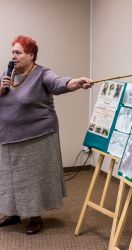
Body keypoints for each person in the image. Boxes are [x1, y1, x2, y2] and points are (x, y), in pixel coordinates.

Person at [0, 35, 93, 235]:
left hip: (37, 136)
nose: (14, 56)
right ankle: (13, 212)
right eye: (13, 52)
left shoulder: (42, 74)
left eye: (19, 53)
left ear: (31, 55)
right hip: (8, 137)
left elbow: (58, 83)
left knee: (33, 180)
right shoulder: (7, 75)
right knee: (10, 178)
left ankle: (34, 216)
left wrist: (75, 82)